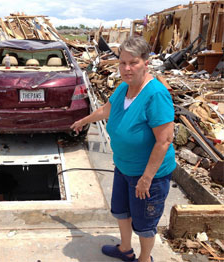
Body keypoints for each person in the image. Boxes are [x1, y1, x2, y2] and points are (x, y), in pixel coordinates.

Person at [71, 36, 176, 262]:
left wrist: (147, 178)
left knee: (145, 224)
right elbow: (106, 110)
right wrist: (83, 120)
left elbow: (164, 141)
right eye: (122, 63)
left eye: (133, 62)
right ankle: (125, 249)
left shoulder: (156, 94)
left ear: (146, 63)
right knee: (122, 212)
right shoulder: (123, 88)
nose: (126, 68)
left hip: (148, 175)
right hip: (124, 167)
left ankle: (144, 258)